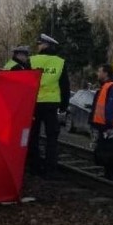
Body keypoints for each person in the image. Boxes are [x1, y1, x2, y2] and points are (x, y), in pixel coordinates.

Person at [27, 33, 70, 177]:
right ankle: (51, 169)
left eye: (40, 44)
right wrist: (64, 106)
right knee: (52, 138)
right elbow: (65, 86)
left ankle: (34, 167)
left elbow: (24, 83)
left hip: (33, 105)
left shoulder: (31, 60)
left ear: (45, 45)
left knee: (33, 136)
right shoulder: (60, 62)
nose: (38, 46)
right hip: (51, 105)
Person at [89, 64, 113, 181]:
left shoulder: (110, 87)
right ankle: (109, 175)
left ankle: (111, 177)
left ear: (106, 73)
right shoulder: (108, 86)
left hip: (108, 127)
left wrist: (109, 127)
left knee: (110, 152)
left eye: (99, 71)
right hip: (107, 126)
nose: (97, 74)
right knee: (108, 151)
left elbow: (110, 108)